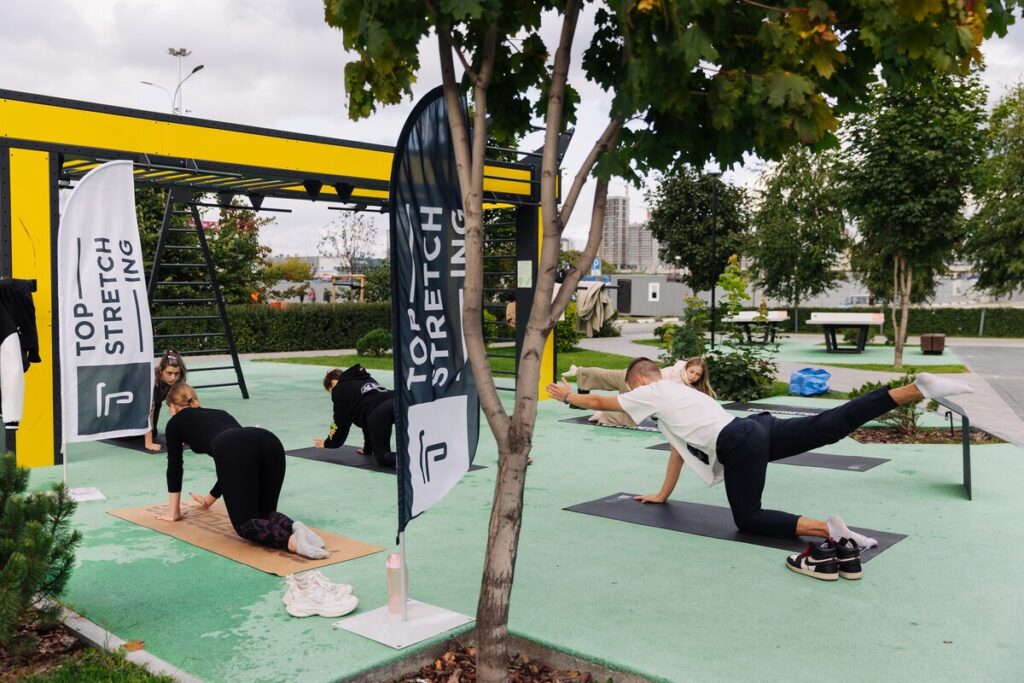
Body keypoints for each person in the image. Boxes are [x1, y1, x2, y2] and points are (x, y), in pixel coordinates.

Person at [546, 358, 973, 580]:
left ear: (639, 381)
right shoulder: (681, 395)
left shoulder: (651, 391)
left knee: (748, 518)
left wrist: (568, 396)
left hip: (739, 441)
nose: (631, 395)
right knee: (830, 426)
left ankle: (831, 531)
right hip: (756, 428)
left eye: (631, 388)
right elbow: (678, 451)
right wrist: (662, 494)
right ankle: (915, 388)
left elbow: (601, 401)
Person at [159, 383, 328, 560]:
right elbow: (234, 467)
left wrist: (174, 513)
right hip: (269, 441)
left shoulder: (174, 423)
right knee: (263, 513)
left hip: (236, 448)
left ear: (172, 407)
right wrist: (209, 500)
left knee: (245, 524)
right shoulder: (220, 413)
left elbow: (175, 467)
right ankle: (296, 528)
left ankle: (293, 542)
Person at [562, 356, 713, 427]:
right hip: (636, 381)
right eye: (691, 371)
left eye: (697, 374)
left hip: (634, 375)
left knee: (607, 376)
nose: (693, 376)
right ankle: (603, 414)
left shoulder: (682, 377)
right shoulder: (678, 380)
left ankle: (580, 372)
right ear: (686, 368)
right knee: (628, 412)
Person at [313, 366, 396, 468]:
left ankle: (410, 459)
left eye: (330, 391)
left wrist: (328, 443)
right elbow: (366, 416)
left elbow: (340, 423)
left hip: (379, 412)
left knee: (383, 459)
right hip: (398, 401)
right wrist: (368, 449)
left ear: (333, 383)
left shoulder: (339, 388)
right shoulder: (363, 378)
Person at [144, 350, 187, 452]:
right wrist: (148, 442)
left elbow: (180, 407)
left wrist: (181, 436)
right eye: (169, 373)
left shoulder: (179, 380)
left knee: (153, 433)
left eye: (176, 373)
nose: (173, 378)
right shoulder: (151, 380)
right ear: (160, 371)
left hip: (157, 400)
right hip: (134, 403)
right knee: (130, 436)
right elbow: (148, 409)